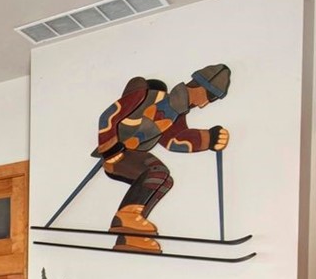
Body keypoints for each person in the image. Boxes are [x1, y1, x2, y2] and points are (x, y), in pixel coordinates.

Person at [94, 63, 232, 251]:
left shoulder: (176, 115)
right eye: (210, 96)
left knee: (165, 181)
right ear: (200, 86)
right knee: (158, 172)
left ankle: (129, 239)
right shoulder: (147, 96)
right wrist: (109, 149)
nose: (205, 103)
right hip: (116, 155)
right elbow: (108, 117)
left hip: (130, 156)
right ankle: (125, 217)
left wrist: (209, 138)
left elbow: (174, 141)